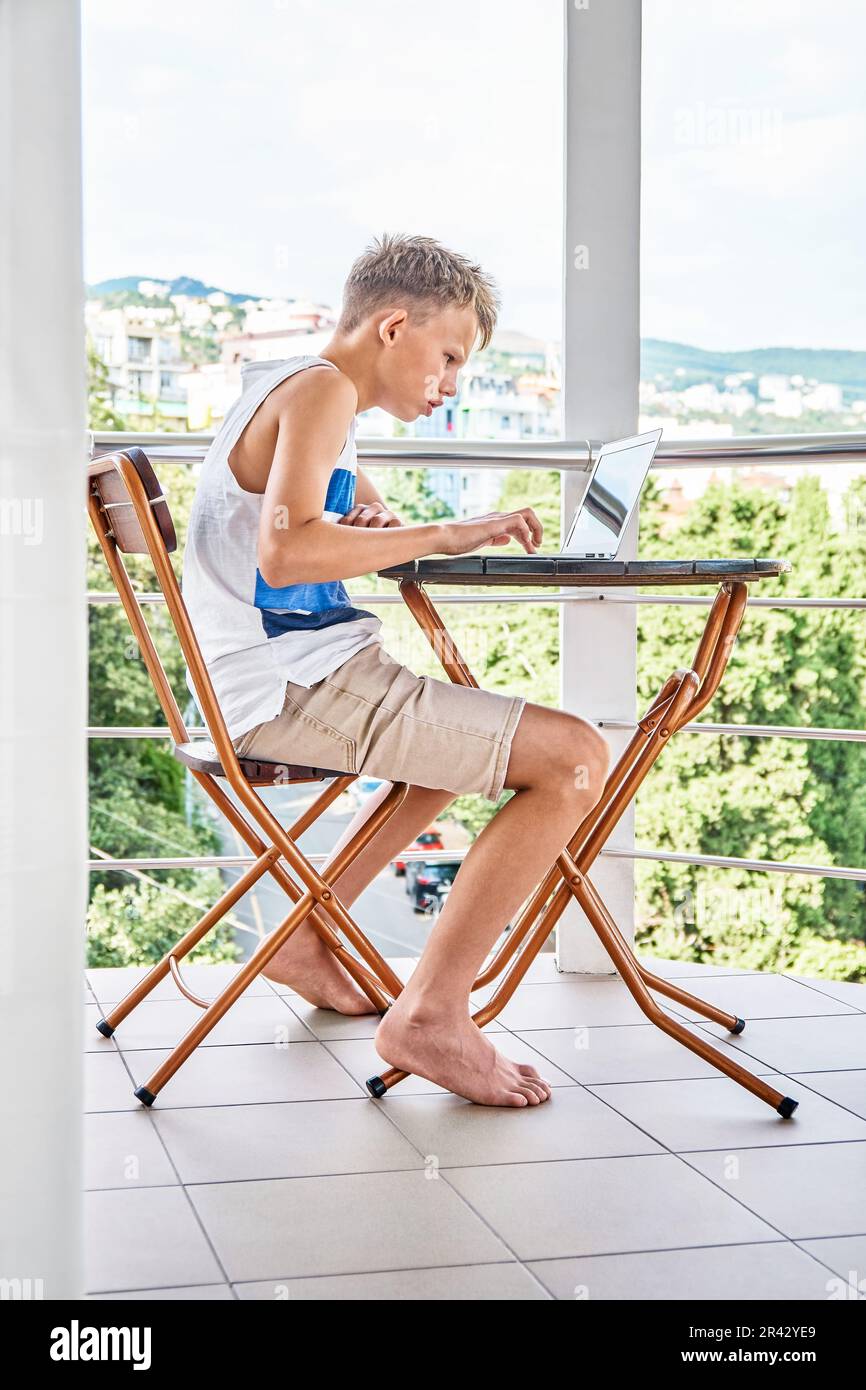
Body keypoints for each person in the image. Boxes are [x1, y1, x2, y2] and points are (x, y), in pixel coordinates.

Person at [182, 232, 610, 1107]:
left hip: (275, 678)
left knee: (454, 759)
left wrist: (376, 525)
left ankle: (308, 937)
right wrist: (451, 532)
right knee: (574, 759)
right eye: (448, 356)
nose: (449, 383)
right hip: (291, 686)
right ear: (391, 325)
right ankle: (432, 1017)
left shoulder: (303, 393)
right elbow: (288, 553)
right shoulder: (321, 392)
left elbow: (331, 524)